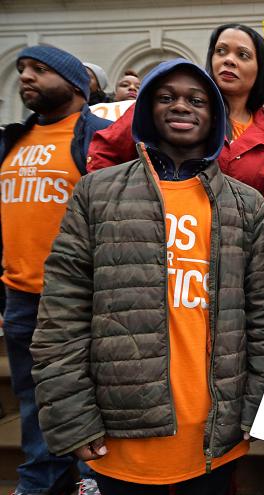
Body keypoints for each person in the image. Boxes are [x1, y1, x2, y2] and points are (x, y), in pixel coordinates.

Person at [30, 58, 264, 495]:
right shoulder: (96, 193)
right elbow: (62, 315)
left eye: (196, 100)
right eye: (167, 98)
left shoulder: (248, 206)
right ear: (146, 110)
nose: (181, 106)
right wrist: (72, 416)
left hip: (214, 437)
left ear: (216, 116)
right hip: (121, 436)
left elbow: (263, 321)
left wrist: (255, 408)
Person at [0, 44, 111, 495]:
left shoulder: (100, 138)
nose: (26, 76)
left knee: (89, 396)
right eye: (23, 68)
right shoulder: (12, 140)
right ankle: (40, 480)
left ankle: (91, 481)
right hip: (22, 297)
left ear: (75, 83)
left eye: (40, 70)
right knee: (32, 400)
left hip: (81, 296)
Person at [87, 23, 264, 207]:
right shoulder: (169, 106)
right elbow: (104, 153)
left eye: (242, 55)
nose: (229, 60)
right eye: (221, 51)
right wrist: (116, 207)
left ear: (261, 68)